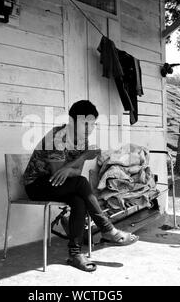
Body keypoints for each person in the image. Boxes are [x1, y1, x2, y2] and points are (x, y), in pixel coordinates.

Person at [23, 100, 139, 272]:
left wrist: (75, 163)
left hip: (56, 184)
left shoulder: (82, 140)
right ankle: (107, 229)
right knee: (82, 183)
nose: (90, 128)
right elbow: (58, 175)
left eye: (93, 124)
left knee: (79, 199)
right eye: (86, 123)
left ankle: (75, 254)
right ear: (71, 122)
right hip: (37, 186)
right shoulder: (56, 138)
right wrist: (83, 156)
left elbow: (74, 173)